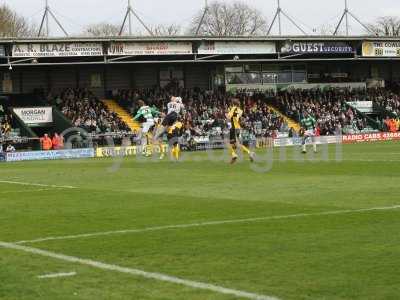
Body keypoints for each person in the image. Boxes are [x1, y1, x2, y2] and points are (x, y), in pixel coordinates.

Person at [226, 98, 255, 164]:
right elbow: (243, 117)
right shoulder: (240, 110)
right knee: (236, 144)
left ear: (233, 104)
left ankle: (235, 155)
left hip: (233, 128)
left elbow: (229, 117)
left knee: (229, 143)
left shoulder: (233, 108)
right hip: (238, 128)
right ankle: (249, 153)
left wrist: (227, 115)